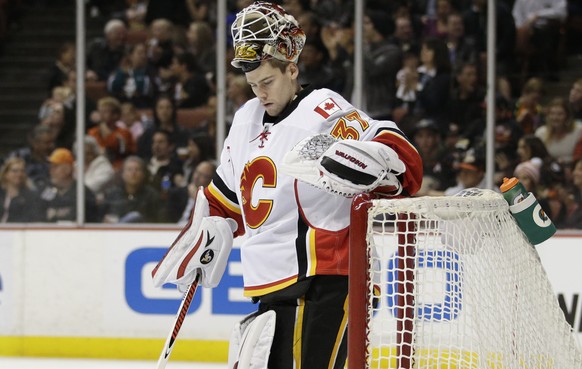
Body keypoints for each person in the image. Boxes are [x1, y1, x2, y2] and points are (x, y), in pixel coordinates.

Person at [151, 3, 422, 369]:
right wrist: (208, 230)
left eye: (267, 82)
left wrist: (376, 163)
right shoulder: (245, 120)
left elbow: (405, 165)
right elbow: (226, 200)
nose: (260, 93)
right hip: (272, 287)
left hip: (328, 281)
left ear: (291, 69)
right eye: (252, 85)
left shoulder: (324, 110)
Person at [40, 148, 98, 223]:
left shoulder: (83, 193)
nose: (51, 170)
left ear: (68, 169)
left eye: (55, 166)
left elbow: (91, 222)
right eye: (51, 166)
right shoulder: (46, 191)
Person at [100, 155, 161, 223]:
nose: (133, 173)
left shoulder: (152, 196)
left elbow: (158, 221)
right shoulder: (111, 194)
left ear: (143, 174)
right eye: (129, 169)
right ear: (123, 174)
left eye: (137, 169)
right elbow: (100, 218)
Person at [0, 157, 44, 223]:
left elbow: (34, 218)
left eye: (22, 171)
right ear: (6, 174)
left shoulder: (31, 197)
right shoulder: (1, 194)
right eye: (15, 171)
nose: (19, 174)